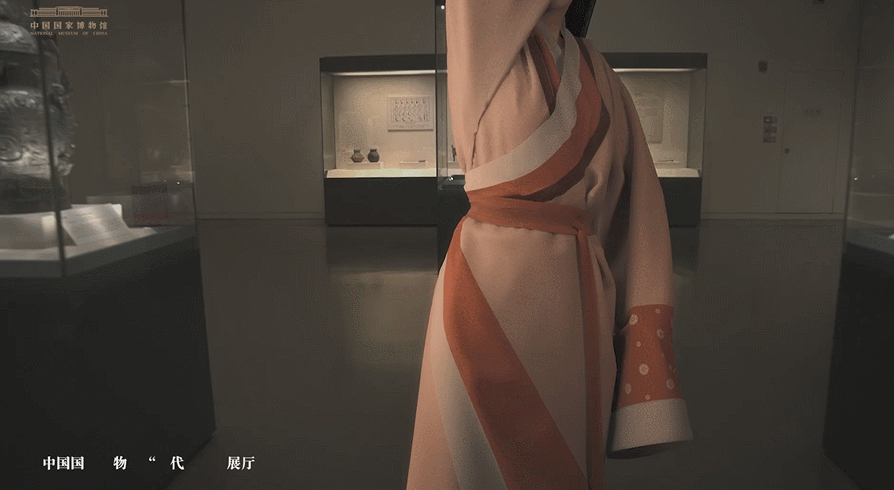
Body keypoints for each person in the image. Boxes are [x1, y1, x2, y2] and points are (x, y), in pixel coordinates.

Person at [406, 1, 694, 488]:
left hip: (578, 304)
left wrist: (640, 340)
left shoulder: (596, 69)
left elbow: (636, 210)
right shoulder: (480, 32)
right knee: (472, 461)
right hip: (485, 290)